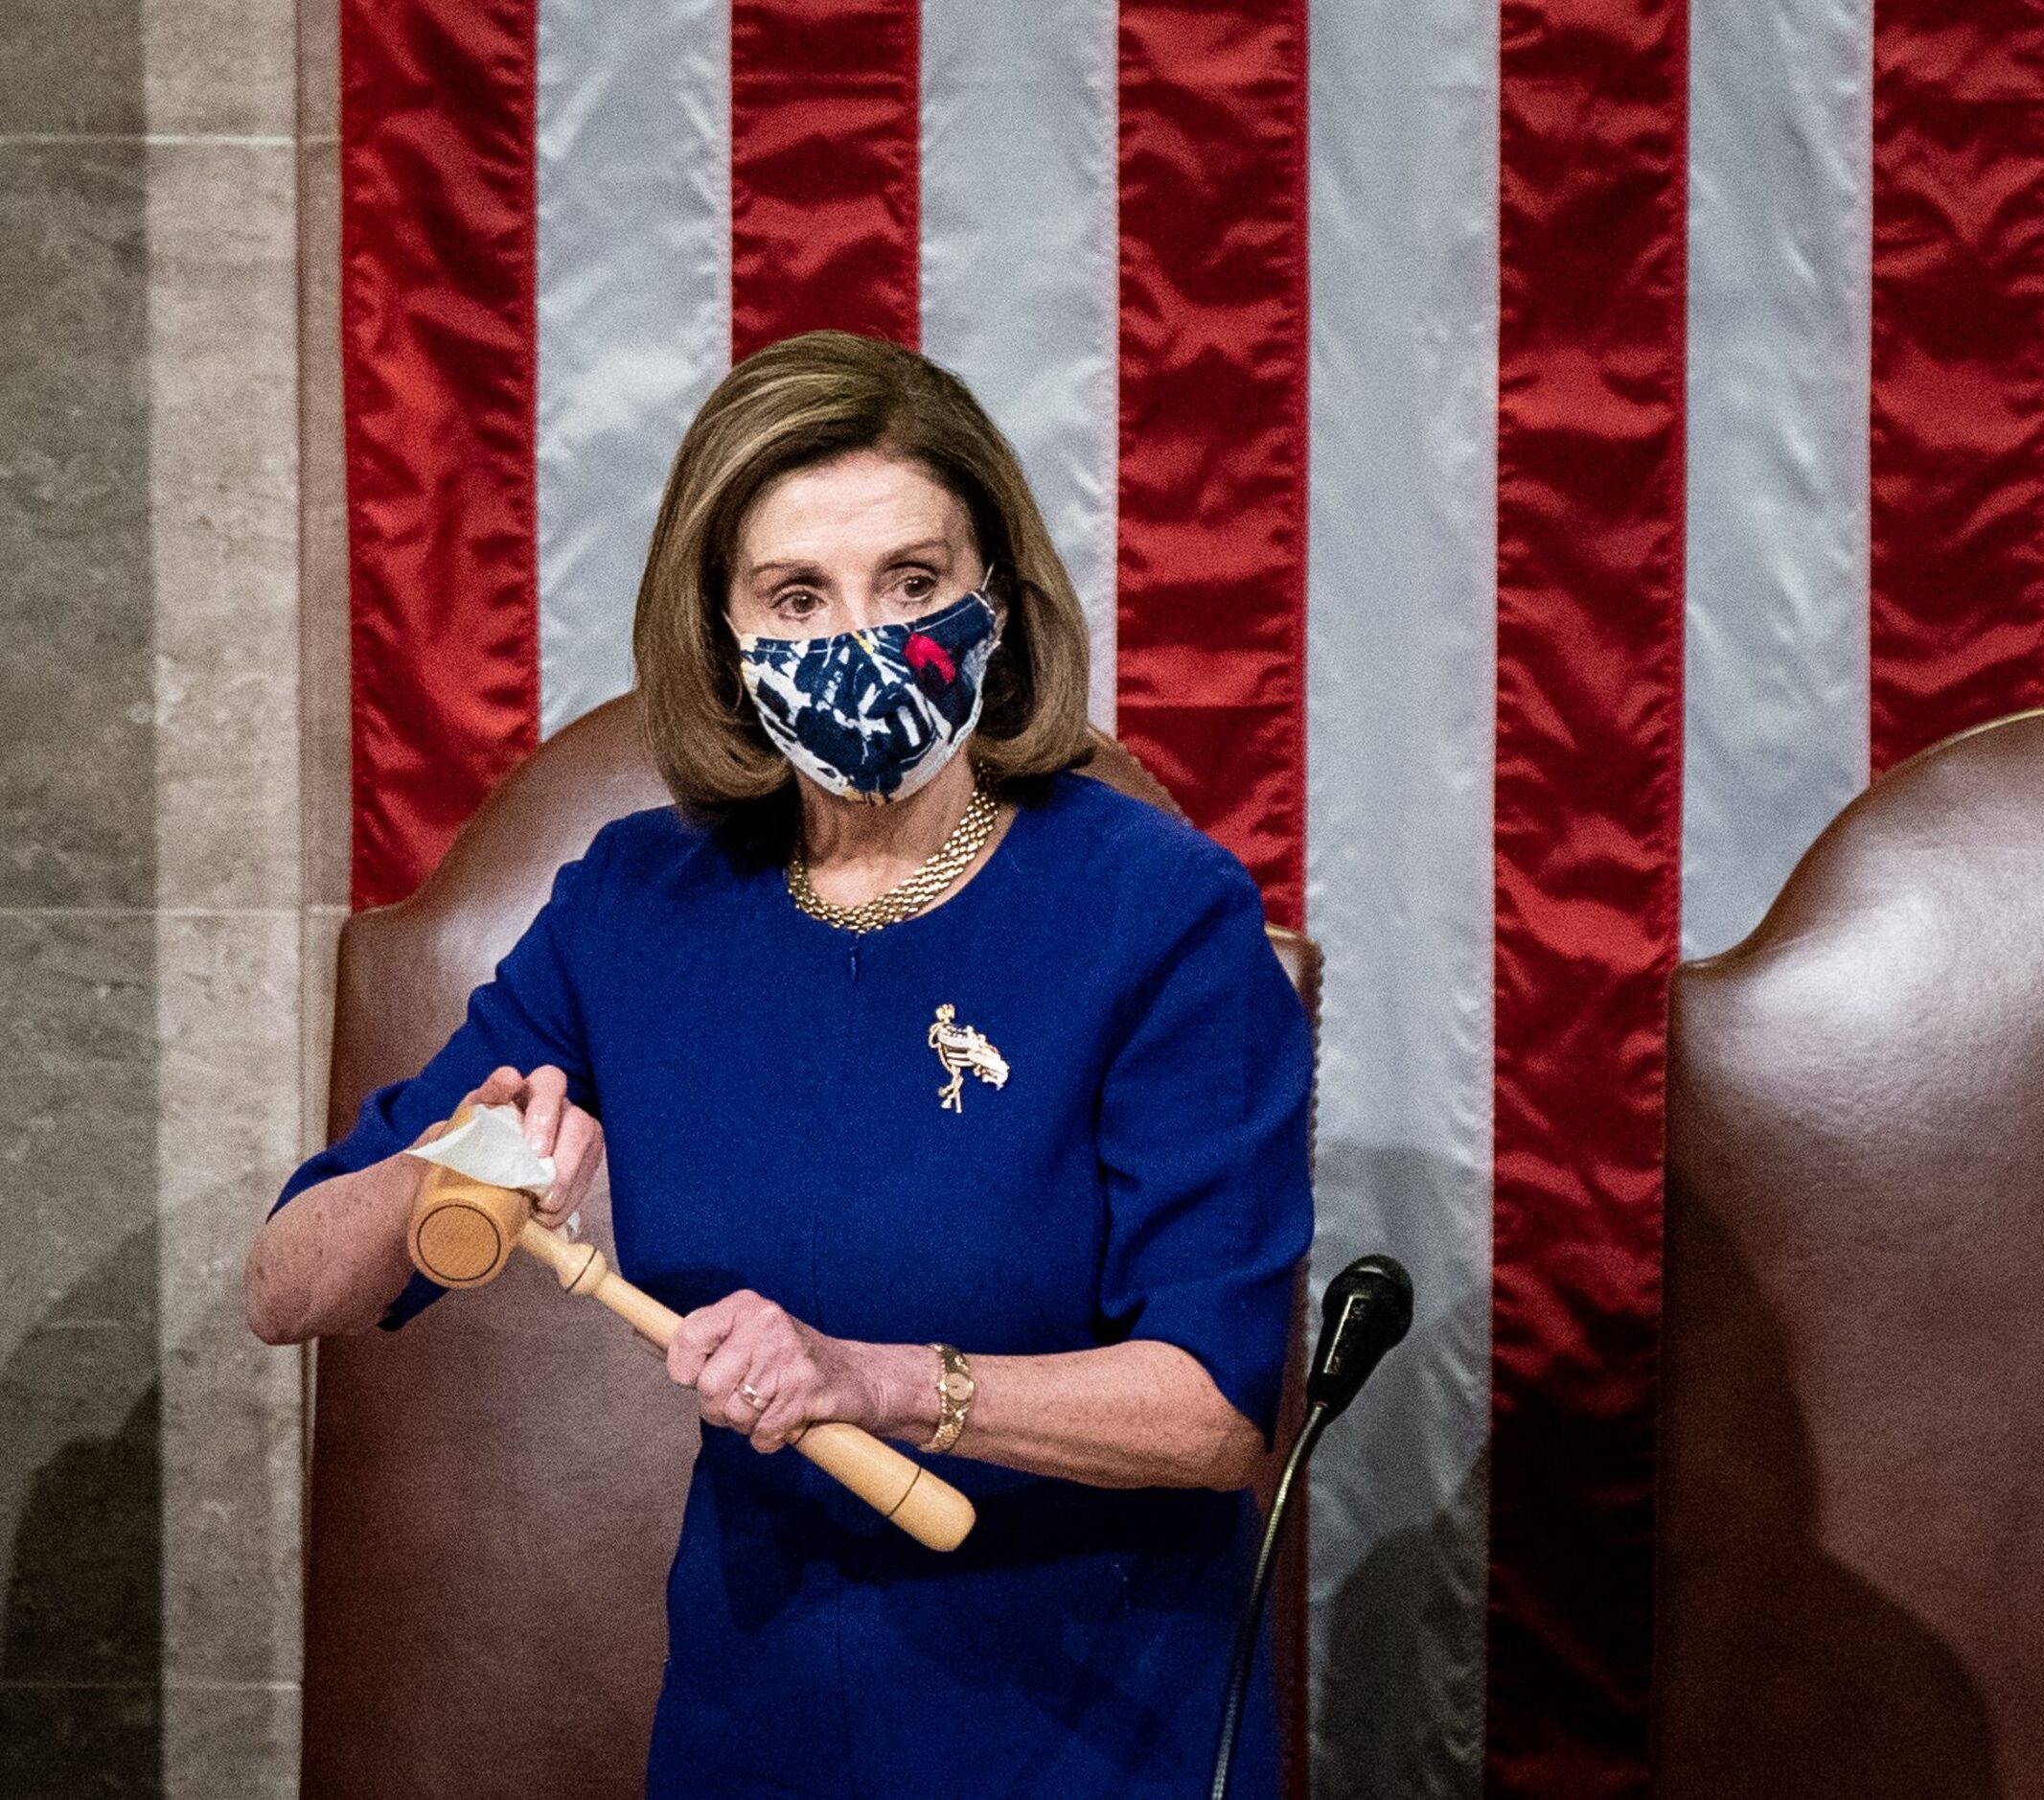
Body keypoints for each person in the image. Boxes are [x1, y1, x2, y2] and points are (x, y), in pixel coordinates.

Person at [242, 331, 1315, 1799]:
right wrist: (451, 1167)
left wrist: (872, 1380)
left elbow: (1210, 1411)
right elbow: (289, 1284)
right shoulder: (638, 905)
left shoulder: (1155, 909)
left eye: (914, 583)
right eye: (798, 596)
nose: (863, 637)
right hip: (761, 1721)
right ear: (726, 637)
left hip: (1088, 1721)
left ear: (995, 596)